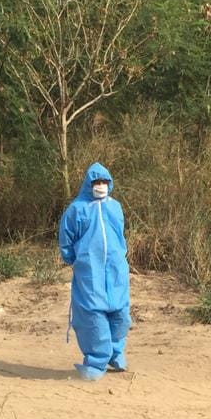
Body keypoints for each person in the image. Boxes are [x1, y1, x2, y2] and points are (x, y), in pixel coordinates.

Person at [58, 162, 131, 381]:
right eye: (96, 182)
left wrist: (119, 258)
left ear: (110, 183)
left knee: (120, 314)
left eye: (104, 182)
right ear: (88, 184)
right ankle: (96, 362)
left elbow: (120, 234)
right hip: (90, 271)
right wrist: (75, 260)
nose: (100, 185)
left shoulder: (115, 207)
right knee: (93, 314)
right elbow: (66, 238)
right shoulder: (77, 209)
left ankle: (115, 353)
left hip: (116, 270)